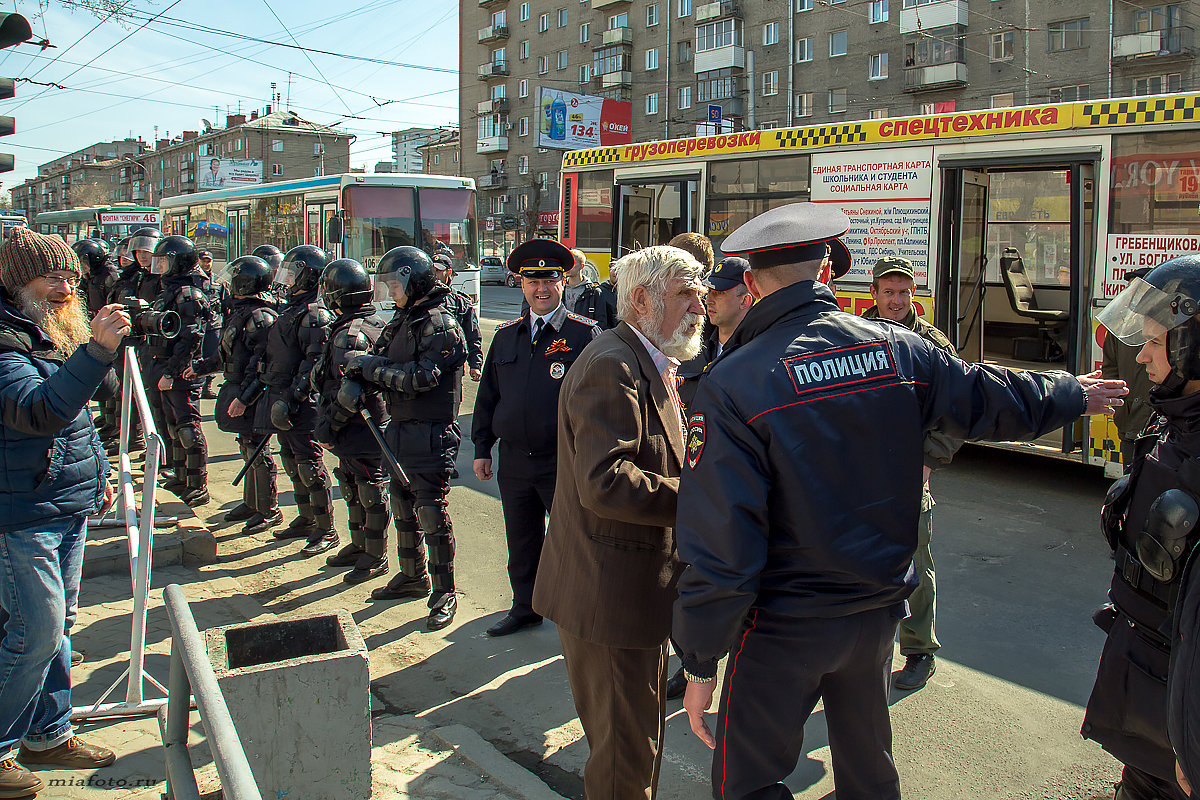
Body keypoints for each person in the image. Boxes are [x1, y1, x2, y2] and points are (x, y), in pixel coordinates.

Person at [672, 202, 1127, 800]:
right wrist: (1070, 393)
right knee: (869, 774)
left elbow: (722, 542)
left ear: (751, 283)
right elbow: (987, 394)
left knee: (749, 782)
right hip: (877, 609)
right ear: (829, 273)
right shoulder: (896, 349)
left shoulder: (733, 381)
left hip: (786, 623)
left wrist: (702, 659)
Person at [532, 244, 707, 799]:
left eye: (698, 292)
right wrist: (704, 498)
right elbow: (606, 482)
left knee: (638, 744)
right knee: (623, 761)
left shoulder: (646, 358)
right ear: (641, 299)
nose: (699, 305)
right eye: (685, 293)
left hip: (632, 596)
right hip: (609, 598)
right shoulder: (612, 364)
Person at [0, 228, 130, 798]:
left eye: (71, 276)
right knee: (35, 631)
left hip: (61, 500)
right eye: (52, 276)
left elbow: (76, 420)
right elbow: (40, 410)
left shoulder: (45, 328)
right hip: (22, 511)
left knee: (59, 629)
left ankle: (47, 732)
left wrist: (96, 471)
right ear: (15, 281)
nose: (66, 287)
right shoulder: (6, 339)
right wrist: (98, 352)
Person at [1088, 255, 1200, 800]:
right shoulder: (1172, 420)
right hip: (1147, 672)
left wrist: (1194, 739)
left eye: (1156, 343)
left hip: (1181, 700)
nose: (1142, 354)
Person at [472, 239, 600, 638]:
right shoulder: (507, 336)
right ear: (520, 283)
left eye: (550, 280)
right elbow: (488, 396)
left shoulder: (585, 335)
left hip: (562, 460)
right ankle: (524, 606)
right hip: (515, 460)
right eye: (532, 281)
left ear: (564, 281)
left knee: (574, 542)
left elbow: (601, 402)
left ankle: (581, 613)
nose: (541, 289)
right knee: (522, 539)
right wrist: (481, 448)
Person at [343, 246, 467, 629]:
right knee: (401, 505)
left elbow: (421, 378)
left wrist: (370, 368)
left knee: (430, 512)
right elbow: (375, 357)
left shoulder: (439, 323)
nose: (391, 291)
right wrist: (356, 371)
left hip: (431, 432)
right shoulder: (402, 320)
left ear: (415, 281)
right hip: (398, 428)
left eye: (395, 283)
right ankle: (412, 576)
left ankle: (444, 593)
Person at [861, 255, 962, 691]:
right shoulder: (853, 335)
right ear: (874, 294)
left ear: (914, 293)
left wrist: (927, 461)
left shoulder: (934, 344)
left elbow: (956, 410)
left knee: (915, 560)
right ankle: (862, 651)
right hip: (860, 471)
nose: (897, 300)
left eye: (904, 291)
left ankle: (919, 650)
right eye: (889, 291)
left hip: (908, 470)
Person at [185, 255, 281, 533]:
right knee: (246, 444)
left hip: (251, 392)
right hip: (237, 386)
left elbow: (260, 367)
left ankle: (268, 509)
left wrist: (245, 399)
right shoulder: (241, 313)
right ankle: (252, 503)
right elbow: (228, 355)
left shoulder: (261, 318)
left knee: (258, 450)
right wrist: (201, 368)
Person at [252, 244, 337, 556]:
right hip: (281, 395)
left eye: (293, 272)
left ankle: (326, 528)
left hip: (302, 402)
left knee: (310, 465)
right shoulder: (291, 308)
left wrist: (292, 398)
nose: (286, 279)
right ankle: (306, 517)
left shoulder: (316, 315)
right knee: (291, 460)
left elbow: (314, 363)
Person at [313, 259, 392, 584]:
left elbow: (351, 392)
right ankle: (359, 544)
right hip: (355, 428)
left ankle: (375, 555)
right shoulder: (363, 323)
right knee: (351, 486)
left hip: (360, 427)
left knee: (370, 491)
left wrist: (328, 427)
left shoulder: (352, 334)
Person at [145, 235, 216, 507]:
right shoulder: (170, 291)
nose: (160, 267)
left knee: (188, 427)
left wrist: (172, 373)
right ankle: (181, 474)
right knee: (173, 426)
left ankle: (198, 485)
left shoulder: (189, 295)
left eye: (165, 261)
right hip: (164, 363)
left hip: (181, 372)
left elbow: (190, 338)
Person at [677, 256, 753, 412]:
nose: (708, 300)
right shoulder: (690, 347)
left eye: (719, 293)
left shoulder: (761, 352)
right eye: (709, 292)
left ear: (745, 301)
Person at [1102, 268, 1155, 468]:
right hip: (1128, 421)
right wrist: (1119, 402)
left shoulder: (1165, 326)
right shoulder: (1119, 327)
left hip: (1153, 423)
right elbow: (1110, 368)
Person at [432, 252, 483, 382]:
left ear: (448, 273)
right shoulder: (421, 299)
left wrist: (475, 364)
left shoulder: (460, 302)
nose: (434, 274)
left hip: (452, 367)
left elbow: (472, 334)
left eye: (438, 271)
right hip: (426, 363)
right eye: (432, 270)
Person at [564, 248, 615, 329]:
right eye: (567, 262)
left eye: (572, 263)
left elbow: (601, 323)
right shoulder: (560, 289)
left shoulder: (594, 292)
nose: (568, 266)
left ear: (582, 266)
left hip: (585, 339)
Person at [195, 249, 222, 399]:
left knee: (211, 356)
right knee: (198, 355)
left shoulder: (218, 281)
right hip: (198, 324)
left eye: (208, 261)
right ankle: (198, 386)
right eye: (203, 260)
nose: (206, 263)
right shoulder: (194, 279)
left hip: (214, 325)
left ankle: (207, 386)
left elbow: (225, 302)